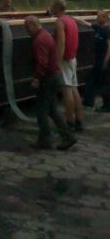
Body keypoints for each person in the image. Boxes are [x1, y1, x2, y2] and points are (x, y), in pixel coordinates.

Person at [24, 15, 76, 150]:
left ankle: (45, 140)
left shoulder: (39, 40)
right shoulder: (46, 35)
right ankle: (68, 136)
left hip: (47, 79)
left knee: (41, 111)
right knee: (53, 110)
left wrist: (36, 78)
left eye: (27, 27)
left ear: (33, 25)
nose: (26, 30)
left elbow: (42, 62)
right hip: (55, 76)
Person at [51, 0, 85, 132]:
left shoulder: (60, 22)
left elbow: (61, 44)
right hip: (72, 58)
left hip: (64, 59)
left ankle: (69, 122)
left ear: (57, 8)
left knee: (67, 91)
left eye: (52, 7)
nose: (51, 9)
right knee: (74, 89)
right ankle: (79, 120)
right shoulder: (71, 20)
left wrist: (56, 62)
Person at [82, 10, 110, 112]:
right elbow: (87, 24)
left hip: (104, 61)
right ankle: (89, 101)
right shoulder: (98, 27)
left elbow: (109, 47)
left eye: (98, 16)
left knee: (105, 83)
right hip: (98, 60)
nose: (96, 18)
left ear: (104, 18)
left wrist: (106, 61)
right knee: (93, 80)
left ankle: (106, 106)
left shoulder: (107, 30)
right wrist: (74, 19)